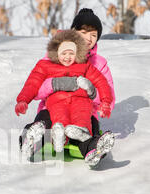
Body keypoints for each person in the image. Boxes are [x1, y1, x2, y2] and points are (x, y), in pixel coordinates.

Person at [18, 8, 116, 167]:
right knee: (45, 122)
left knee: (86, 129)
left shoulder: (99, 63)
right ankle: (30, 141)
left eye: (94, 35)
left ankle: (94, 149)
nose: (89, 38)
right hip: (53, 106)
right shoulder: (56, 55)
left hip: (85, 109)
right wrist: (55, 85)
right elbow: (36, 86)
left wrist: (88, 91)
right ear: (74, 32)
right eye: (84, 32)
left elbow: (108, 93)